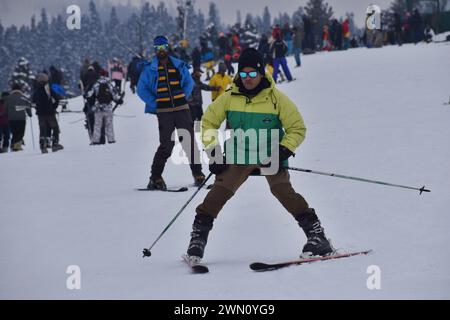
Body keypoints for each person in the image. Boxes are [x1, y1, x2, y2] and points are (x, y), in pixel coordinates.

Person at [185, 48, 334, 263]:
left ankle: (317, 236)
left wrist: (283, 150)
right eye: (243, 74)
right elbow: (208, 122)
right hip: (238, 155)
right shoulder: (229, 98)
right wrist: (215, 152)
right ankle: (198, 239)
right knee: (218, 194)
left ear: (261, 73)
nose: (248, 79)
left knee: (282, 191)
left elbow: (297, 128)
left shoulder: (276, 99)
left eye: (252, 74)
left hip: (269, 155)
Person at [137, 35, 205, 189]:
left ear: (167, 47)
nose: (161, 50)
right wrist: (155, 103)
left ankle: (198, 174)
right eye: (158, 48)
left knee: (189, 142)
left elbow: (189, 82)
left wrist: (183, 96)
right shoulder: (150, 69)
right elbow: (141, 89)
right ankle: (155, 177)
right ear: (155, 50)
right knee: (166, 145)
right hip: (164, 111)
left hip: (182, 109)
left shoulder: (178, 65)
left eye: (163, 47)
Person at [86, 69, 123, 145]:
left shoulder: (96, 84)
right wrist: (119, 100)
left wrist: (87, 98)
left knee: (97, 125)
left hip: (98, 108)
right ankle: (111, 140)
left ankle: (96, 140)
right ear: (106, 75)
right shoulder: (109, 84)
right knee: (109, 125)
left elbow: (90, 95)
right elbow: (114, 96)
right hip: (108, 108)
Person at [32, 73, 63, 153]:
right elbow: (57, 98)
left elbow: (33, 102)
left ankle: (43, 146)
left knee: (42, 129)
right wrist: (54, 107)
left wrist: (38, 108)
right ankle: (55, 144)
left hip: (40, 114)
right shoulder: (48, 89)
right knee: (55, 128)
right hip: (50, 112)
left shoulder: (36, 90)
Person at [4, 83, 32, 152]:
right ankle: (16, 146)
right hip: (21, 118)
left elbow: (5, 109)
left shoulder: (8, 98)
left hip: (11, 119)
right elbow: (28, 106)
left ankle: (13, 145)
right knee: (20, 133)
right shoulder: (23, 97)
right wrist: (29, 114)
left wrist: (7, 114)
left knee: (14, 132)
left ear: (12, 89)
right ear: (20, 89)